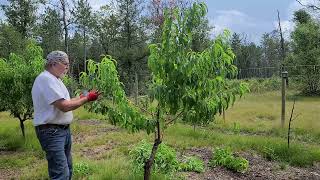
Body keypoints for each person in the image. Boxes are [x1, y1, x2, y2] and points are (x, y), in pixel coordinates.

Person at [31, 50, 100, 180]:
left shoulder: (55, 80)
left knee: (67, 169)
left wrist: (82, 97)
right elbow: (64, 106)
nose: (67, 67)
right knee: (60, 174)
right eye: (65, 64)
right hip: (51, 132)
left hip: (61, 131)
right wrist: (87, 99)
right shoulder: (46, 79)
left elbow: (66, 101)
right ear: (53, 63)